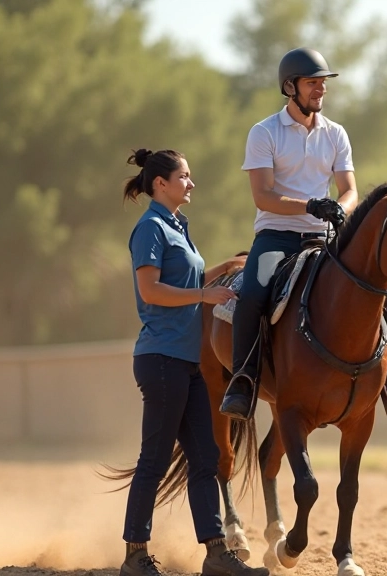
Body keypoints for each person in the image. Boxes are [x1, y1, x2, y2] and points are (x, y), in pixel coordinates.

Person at [218, 47, 387, 421]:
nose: (321, 89)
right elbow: (263, 196)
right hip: (276, 238)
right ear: (290, 87)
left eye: (323, 83)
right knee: (253, 294)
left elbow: (350, 190)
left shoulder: (336, 133)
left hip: (326, 238)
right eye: (312, 83)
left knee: (384, 292)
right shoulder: (264, 132)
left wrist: (339, 208)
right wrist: (311, 205)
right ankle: (244, 381)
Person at [119, 148, 267, 576]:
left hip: (188, 362)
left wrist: (225, 269)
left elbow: (186, 278)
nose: (191, 183)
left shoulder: (177, 226)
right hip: (162, 359)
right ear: (160, 183)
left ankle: (217, 553)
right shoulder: (150, 228)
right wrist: (204, 295)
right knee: (154, 460)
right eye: (184, 176)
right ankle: (135, 555)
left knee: (206, 458)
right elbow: (151, 290)